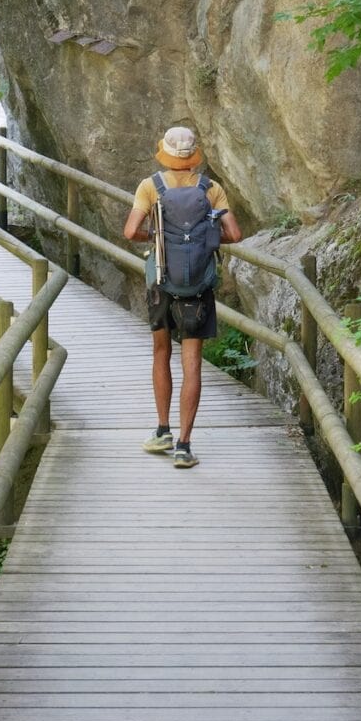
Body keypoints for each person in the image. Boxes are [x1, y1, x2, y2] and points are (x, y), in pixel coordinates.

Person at [123, 126, 243, 468]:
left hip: (161, 282)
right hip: (198, 289)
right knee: (192, 364)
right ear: (194, 155)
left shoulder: (151, 187)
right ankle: (184, 445)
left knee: (161, 352)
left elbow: (130, 231)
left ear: (164, 151)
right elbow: (234, 232)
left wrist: (158, 236)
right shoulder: (211, 189)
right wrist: (206, 237)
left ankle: (162, 429)